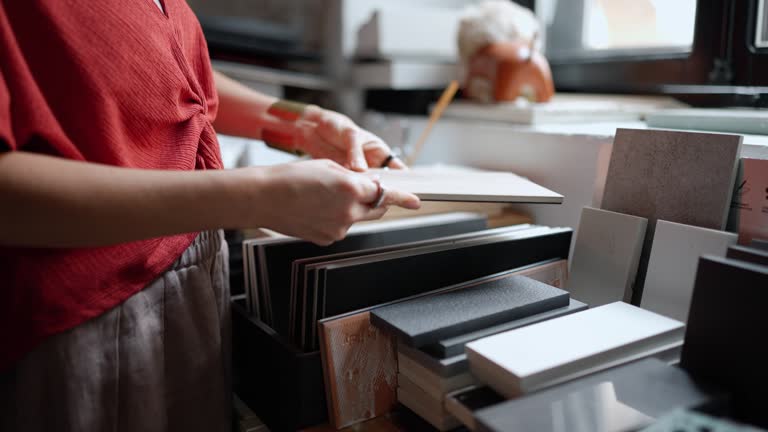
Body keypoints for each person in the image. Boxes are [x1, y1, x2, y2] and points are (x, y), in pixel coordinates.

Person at [0, 1, 420, 431]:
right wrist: (256, 197)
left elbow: (156, 62)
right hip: (84, 320)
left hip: (188, 289)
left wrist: (301, 124)